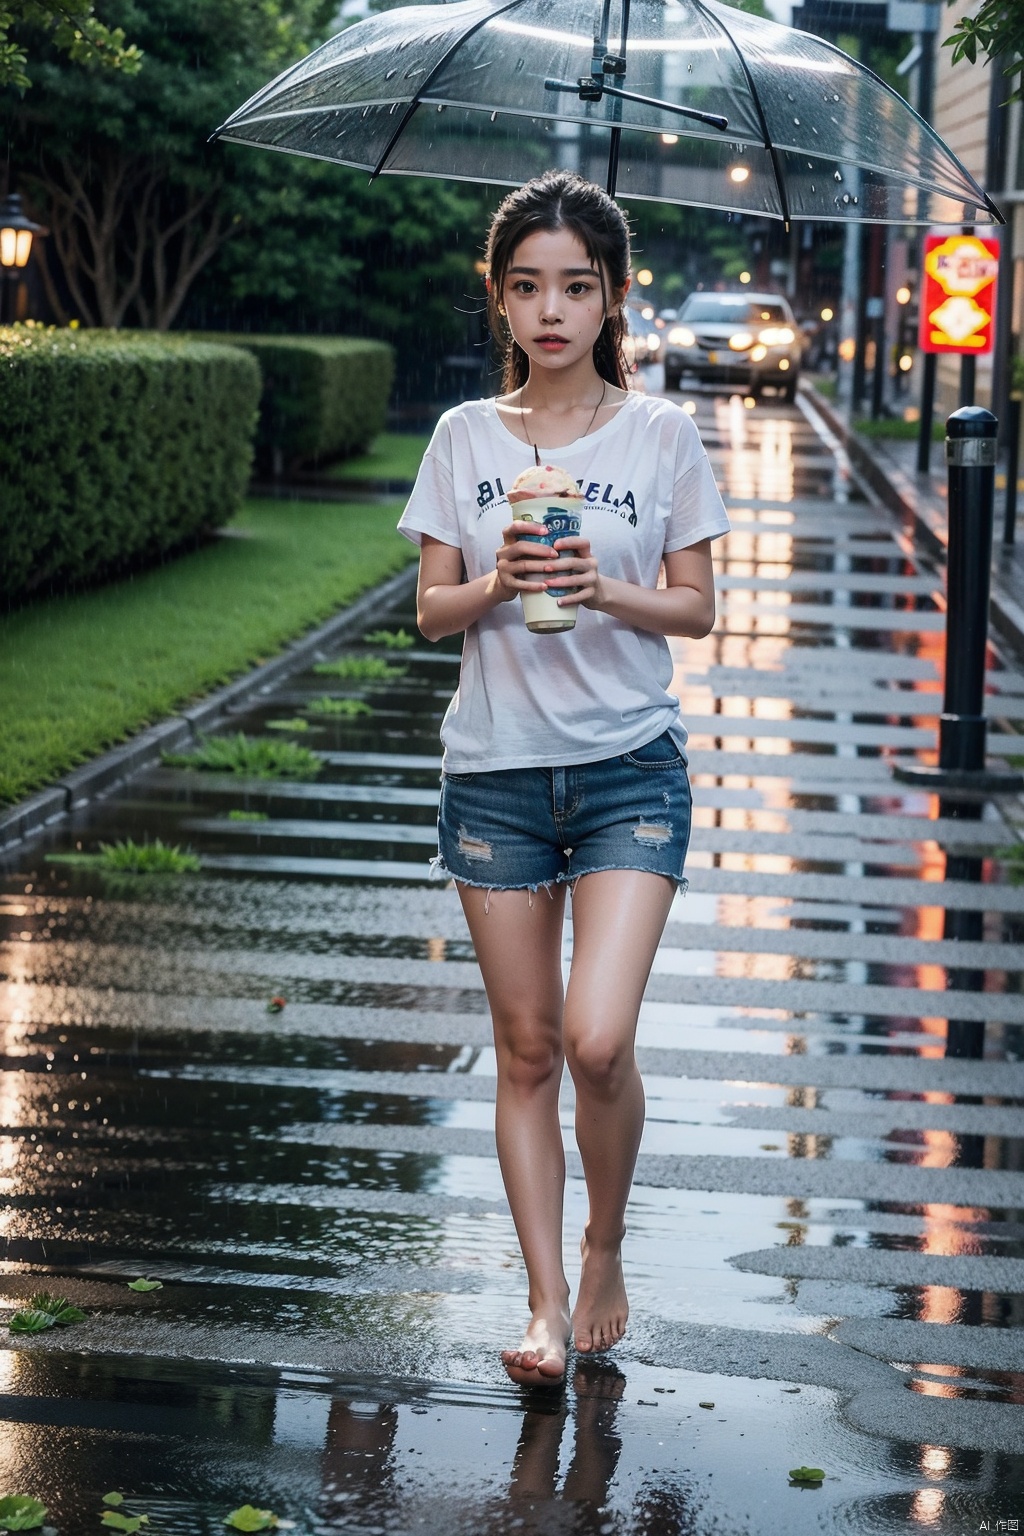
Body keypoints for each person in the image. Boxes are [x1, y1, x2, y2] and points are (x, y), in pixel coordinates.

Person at [398, 170, 729, 1388]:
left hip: (627, 772)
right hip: (492, 780)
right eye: (527, 286)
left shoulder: (660, 437)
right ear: (498, 299)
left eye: (574, 287)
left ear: (611, 299)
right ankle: (541, 1304)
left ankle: (604, 1247)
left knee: (597, 1040)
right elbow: (433, 613)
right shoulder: (463, 439)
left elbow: (696, 610)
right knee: (526, 1049)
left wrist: (602, 587)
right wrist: (498, 581)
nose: (550, 310)